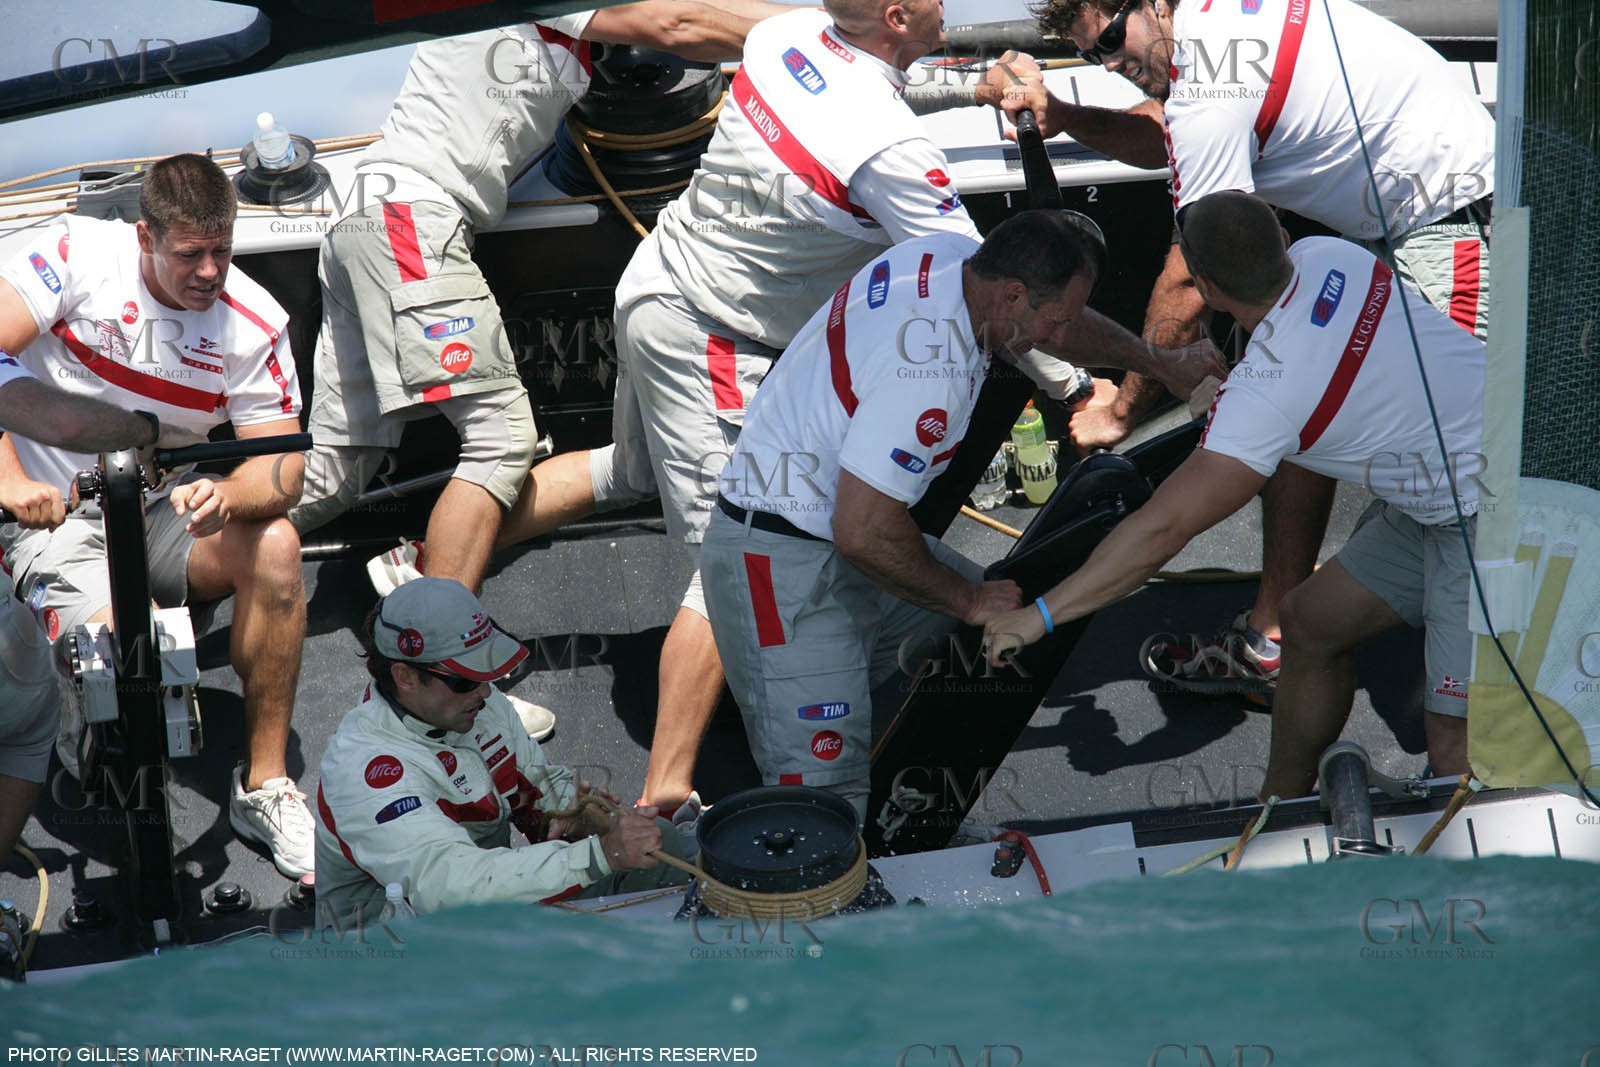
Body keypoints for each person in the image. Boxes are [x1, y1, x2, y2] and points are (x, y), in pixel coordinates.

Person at [484, 0, 1225, 826]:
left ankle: (432, 571)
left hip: (661, 281)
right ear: (900, 14)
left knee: (627, 475)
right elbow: (869, 524)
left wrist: (1152, 361)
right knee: (724, 593)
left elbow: (1021, 289)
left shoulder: (792, 41)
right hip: (716, 351)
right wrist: (1079, 393)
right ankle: (666, 798)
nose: (951, 3)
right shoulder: (928, 331)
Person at [288, 1, 789, 742]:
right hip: (411, 223)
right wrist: (828, 33)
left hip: (372, 216)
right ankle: (447, 677)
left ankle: (149, 552)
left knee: (332, 477)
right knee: (500, 437)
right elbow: (676, 26)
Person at [1005, 0, 1495, 697]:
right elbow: (1169, 137)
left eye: (1112, 40)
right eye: (1093, 56)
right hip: (1382, 225)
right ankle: (1279, 637)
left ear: (1154, 4)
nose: (1111, 64)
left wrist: (1125, 408)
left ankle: (1478, 693)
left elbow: (1185, 275)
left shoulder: (1207, 91)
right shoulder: (1206, 40)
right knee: (1321, 417)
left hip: (1448, 218)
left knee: (1473, 483)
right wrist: (1067, 117)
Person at [983, 192, 1485, 799]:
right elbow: (1307, 352)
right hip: (1456, 487)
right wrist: (1234, 398)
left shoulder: (1263, 401)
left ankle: (1470, 859)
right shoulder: (1333, 257)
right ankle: (1281, 805)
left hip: (1497, 518)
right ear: (1279, 232)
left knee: (1451, 739)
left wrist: (1037, 618)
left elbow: (1159, 531)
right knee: (1310, 621)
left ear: (1208, 289)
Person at [701, 210, 1106, 813]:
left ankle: (882, 766)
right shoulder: (927, 373)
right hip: (781, 563)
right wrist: (967, 601)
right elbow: (863, 532)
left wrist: (1156, 360)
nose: (1058, 337)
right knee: (825, 801)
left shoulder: (952, 255)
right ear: (1013, 295)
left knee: (1003, 626)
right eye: (1055, 322)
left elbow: (1062, 321)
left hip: (832, 527)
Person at [0, 153, 314, 878]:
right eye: (191, 254)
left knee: (277, 545)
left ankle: (264, 786)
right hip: (49, 518)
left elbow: (285, 469)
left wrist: (231, 496)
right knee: (123, 653)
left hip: (158, 508)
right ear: (144, 237)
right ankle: (99, 707)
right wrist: (12, 481)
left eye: (223, 250)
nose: (211, 271)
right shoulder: (75, 255)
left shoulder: (255, 323)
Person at [315, 577, 689, 923]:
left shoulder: (477, 703)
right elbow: (449, 890)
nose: (484, 689)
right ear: (406, 676)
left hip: (479, 914)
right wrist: (601, 855)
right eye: (465, 678)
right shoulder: (366, 771)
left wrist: (577, 813)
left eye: (486, 669)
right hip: (397, 955)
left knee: (661, 843)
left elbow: (533, 788)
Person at [0, 353, 204, 873]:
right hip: (40, 535)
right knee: (30, 719)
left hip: (118, 514)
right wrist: (11, 483)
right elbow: (55, 419)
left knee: (151, 651)